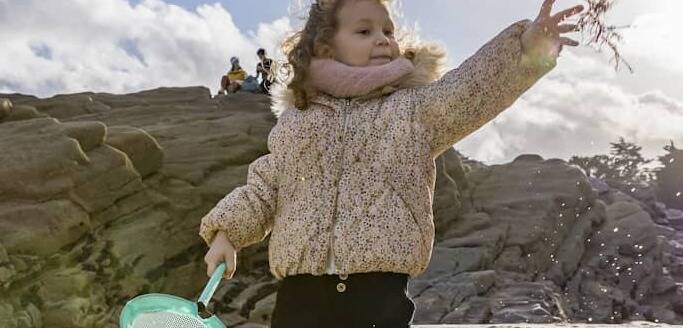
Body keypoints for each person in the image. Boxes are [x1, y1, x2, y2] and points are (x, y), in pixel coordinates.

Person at [200, 0, 583, 327]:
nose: (383, 38)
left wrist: (526, 49)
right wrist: (225, 233)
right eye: (364, 31)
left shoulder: (414, 110)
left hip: (378, 299)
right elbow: (265, 188)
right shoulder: (298, 121)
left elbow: (472, 89)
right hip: (300, 299)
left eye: (388, 30)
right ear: (326, 47)